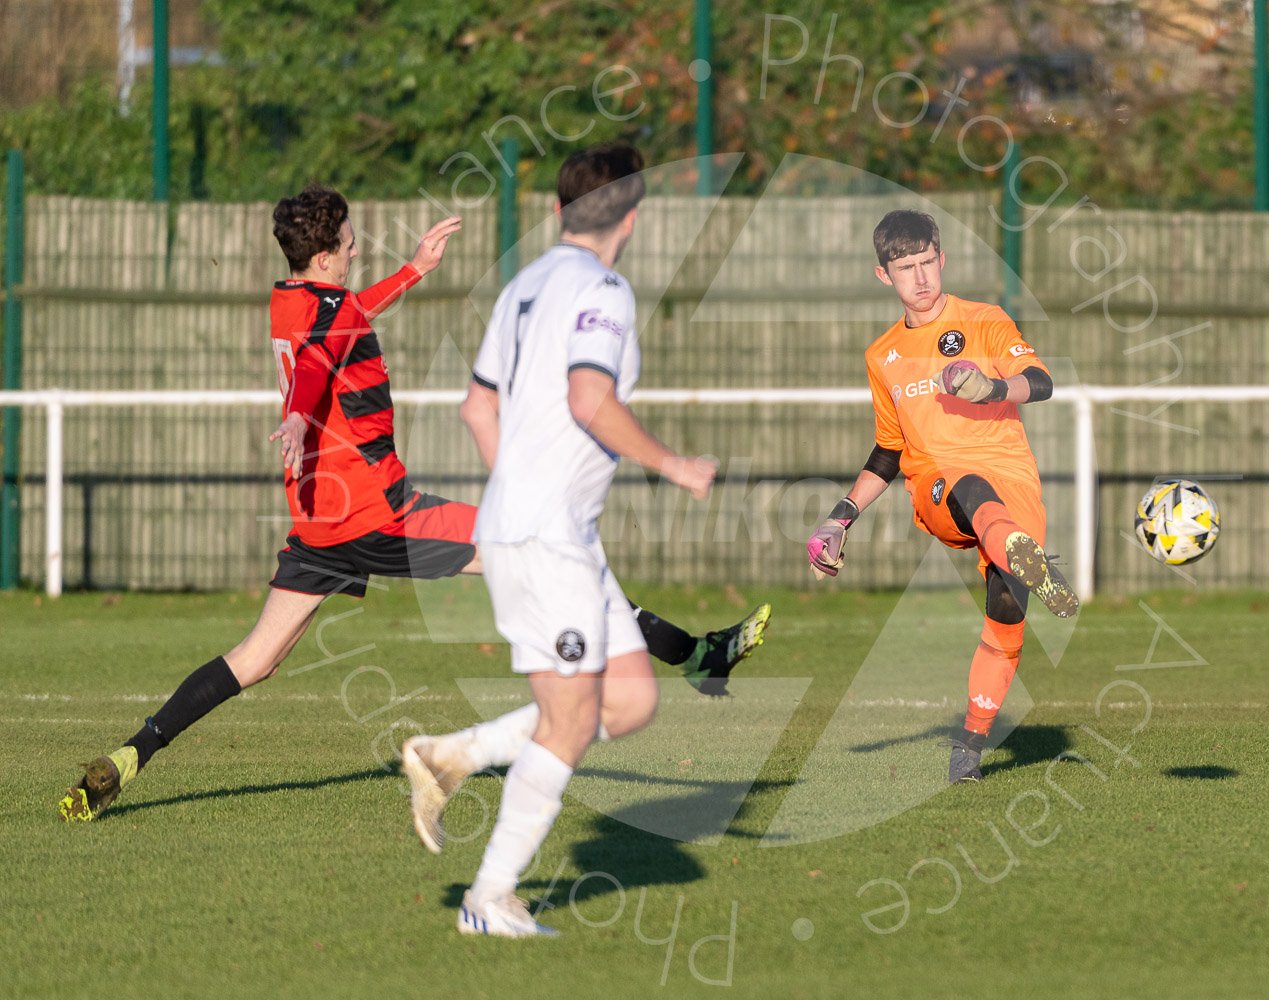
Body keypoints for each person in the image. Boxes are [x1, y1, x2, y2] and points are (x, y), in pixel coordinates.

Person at [57, 183, 769, 823]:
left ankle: (129, 756)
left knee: (256, 657)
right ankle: (698, 655)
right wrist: (303, 416)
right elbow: (313, 368)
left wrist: (414, 272)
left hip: (318, 520)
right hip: (380, 515)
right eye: (353, 241)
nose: (359, 248)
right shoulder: (331, 311)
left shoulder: (293, 297)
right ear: (332, 253)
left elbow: (340, 323)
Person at [402, 142, 708, 939]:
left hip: (548, 530)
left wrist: (521, 497)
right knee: (569, 719)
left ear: (558, 212)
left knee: (632, 698)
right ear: (633, 217)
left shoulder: (522, 285)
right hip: (546, 537)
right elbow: (590, 396)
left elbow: (477, 409)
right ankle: (488, 899)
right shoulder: (604, 289)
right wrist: (673, 465)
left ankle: (455, 753)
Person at [806, 209, 1077, 785]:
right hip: (939, 485)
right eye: (906, 268)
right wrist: (839, 519)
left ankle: (970, 746)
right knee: (966, 484)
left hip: (1013, 479)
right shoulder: (882, 356)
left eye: (928, 262)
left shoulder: (985, 320)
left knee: (1007, 611)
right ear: (885, 276)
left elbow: (1043, 381)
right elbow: (887, 452)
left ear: (943, 258)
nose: (921, 278)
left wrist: (994, 387)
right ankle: (1028, 559)